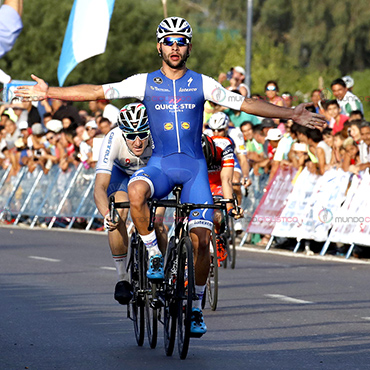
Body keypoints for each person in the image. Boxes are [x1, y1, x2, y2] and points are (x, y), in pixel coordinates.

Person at [15, 16, 325, 336]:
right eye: (169, 41)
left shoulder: (203, 83)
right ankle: (152, 254)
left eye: (180, 42)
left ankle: (194, 308)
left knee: (202, 242)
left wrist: (291, 113)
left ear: (188, 47)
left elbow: (245, 102)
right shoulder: (143, 82)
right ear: (159, 46)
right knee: (135, 193)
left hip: (194, 171)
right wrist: (51, 91)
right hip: (160, 165)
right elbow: (96, 90)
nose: (174, 47)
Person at [94, 102, 166, 305]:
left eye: (142, 134)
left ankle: (159, 276)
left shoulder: (159, 135)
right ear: (122, 133)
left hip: (152, 177)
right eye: (131, 136)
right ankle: (122, 279)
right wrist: (106, 214)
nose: (137, 141)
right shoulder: (113, 138)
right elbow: (99, 186)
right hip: (122, 177)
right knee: (118, 215)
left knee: (158, 222)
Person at [204, 112, 250, 234]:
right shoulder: (207, 134)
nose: (216, 133)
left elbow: (242, 157)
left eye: (219, 130)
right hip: (215, 163)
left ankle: (236, 214)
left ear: (226, 128)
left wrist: (246, 176)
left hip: (230, 159)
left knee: (234, 180)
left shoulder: (235, 133)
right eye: (213, 130)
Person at [201, 134, 243, 264]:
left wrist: (230, 206)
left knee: (217, 209)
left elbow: (227, 180)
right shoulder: (189, 150)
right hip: (199, 182)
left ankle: (218, 235)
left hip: (217, 183)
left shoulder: (225, 146)